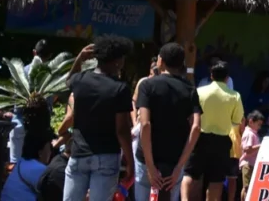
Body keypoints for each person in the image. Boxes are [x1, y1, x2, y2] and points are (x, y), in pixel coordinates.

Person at [64, 36, 134, 201]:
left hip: (78, 153)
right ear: (117, 61)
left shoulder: (80, 80)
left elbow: (68, 81)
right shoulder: (120, 89)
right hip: (107, 156)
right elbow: (122, 130)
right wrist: (130, 161)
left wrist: (79, 59)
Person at [136, 43, 203, 201]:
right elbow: (196, 127)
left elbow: (145, 125)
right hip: (174, 160)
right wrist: (180, 166)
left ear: (160, 61)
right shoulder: (190, 89)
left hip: (145, 157)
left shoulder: (147, 85)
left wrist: (151, 166)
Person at [182, 61, 242, 201]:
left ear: (211, 76)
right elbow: (236, 120)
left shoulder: (199, 91)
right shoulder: (235, 96)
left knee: (190, 174)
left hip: (199, 137)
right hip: (221, 141)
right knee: (216, 179)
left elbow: (190, 116)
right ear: (227, 78)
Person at [1, 132, 52, 201]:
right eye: (49, 148)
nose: (51, 152)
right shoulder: (40, 169)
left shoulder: (21, 162)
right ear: (40, 153)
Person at [239, 111, 263, 199]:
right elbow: (247, 150)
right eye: (258, 124)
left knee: (248, 187)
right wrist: (261, 145)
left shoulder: (253, 133)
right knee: (247, 188)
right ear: (251, 121)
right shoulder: (249, 134)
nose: (259, 127)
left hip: (251, 164)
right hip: (247, 164)